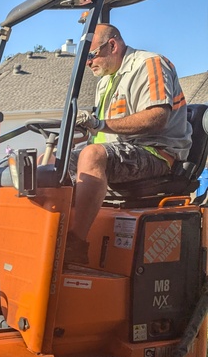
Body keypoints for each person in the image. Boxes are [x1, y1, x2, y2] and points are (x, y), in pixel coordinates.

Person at [66, 23, 192, 265]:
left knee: (91, 156)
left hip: (155, 152)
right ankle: (54, 232)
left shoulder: (150, 63)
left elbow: (158, 117)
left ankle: (75, 245)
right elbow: (102, 134)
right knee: (49, 161)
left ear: (112, 45)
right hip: (120, 151)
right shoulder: (105, 80)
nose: (88, 63)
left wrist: (98, 123)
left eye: (91, 56)